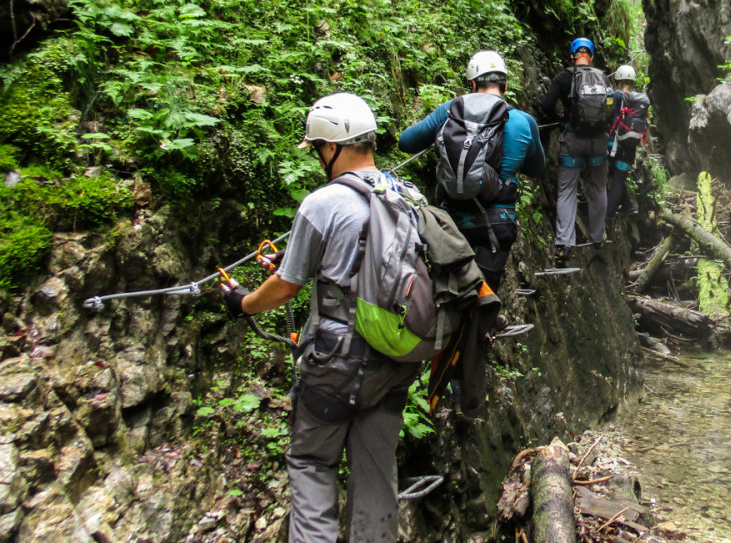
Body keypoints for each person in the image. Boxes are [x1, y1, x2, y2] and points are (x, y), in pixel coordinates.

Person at [219, 92, 421, 542]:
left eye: (317, 148)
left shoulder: (323, 203)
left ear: (333, 147)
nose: (316, 157)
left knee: (312, 465)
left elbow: (287, 287)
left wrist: (243, 301)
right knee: (376, 477)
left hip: (334, 364)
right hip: (394, 363)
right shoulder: (407, 196)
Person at [398, 50, 545, 291]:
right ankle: (484, 324)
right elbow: (537, 168)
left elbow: (406, 142)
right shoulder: (522, 121)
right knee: (484, 296)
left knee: (449, 296)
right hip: (497, 224)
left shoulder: (450, 111)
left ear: (473, 84)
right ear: (505, 85)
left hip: (450, 222)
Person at [540, 37, 614, 264]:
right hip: (598, 143)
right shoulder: (603, 78)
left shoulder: (564, 77)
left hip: (573, 140)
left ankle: (564, 244)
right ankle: (597, 237)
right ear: (590, 56)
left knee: (567, 191)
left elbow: (546, 106)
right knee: (598, 188)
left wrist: (559, 120)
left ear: (572, 56)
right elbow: (611, 108)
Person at [606, 64, 649, 223]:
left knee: (614, 181)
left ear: (618, 79)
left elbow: (607, 112)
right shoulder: (640, 101)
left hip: (613, 145)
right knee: (618, 178)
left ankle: (606, 221)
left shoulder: (616, 96)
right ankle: (628, 205)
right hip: (630, 149)